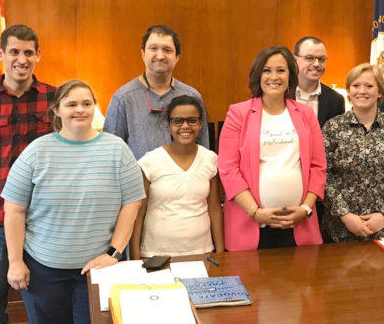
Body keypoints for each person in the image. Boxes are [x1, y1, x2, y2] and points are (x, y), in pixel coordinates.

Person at [1, 80, 145, 323]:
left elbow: (133, 203)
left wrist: (114, 252)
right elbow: (14, 210)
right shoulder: (37, 152)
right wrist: (15, 262)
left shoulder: (117, 149)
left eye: (87, 103)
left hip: (98, 270)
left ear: (95, 107)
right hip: (43, 271)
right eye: (72, 104)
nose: (80, 109)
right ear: (56, 110)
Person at [0, 24, 56, 323]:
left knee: (48, 303)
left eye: (28, 52)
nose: (22, 59)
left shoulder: (54, 99)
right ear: (0, 54)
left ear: (38, 55)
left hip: (43, 221)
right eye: (14, 52)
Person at [218, 46, 326, 251]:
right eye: (267, 70)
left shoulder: (306, 114)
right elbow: (227, 169)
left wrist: (305, 209)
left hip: (299, 223)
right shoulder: (238, 113)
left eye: (281, 70)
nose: (273, 77)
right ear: (258, 75)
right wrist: (255, 212)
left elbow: (318, 166)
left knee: (300, 282)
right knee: (251, 283)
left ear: (290, 76)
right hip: (250, 223)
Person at [322, 63, 384, 243]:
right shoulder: (332, 128)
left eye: (369, 86)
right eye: (356, 86)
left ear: (380, 92)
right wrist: (345, 215)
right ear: (348, 91)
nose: (362, 91)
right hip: (340, 230)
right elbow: (323, 174)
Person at [130, 95, 224, 258]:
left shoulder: (211, 159)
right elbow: (138, 214)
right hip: (155, 254)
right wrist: (135, 258)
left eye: (192, 120)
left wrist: (221, 253)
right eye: (178, 121)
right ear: (169, 124)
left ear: (200, 123)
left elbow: (214, 208)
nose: (185, 126)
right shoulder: (149, 162)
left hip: (202, 252)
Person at [104, 24, 209, 159]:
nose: (160, 56)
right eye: (153, 48)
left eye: (167, 50)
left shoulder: (191, 96)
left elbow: (203, 149)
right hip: (139, 179)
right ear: (143, 53)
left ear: (177, 57)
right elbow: (111, 153)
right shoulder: (123, 98)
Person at [293, 36, 345, 242]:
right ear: (295, 59)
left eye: (321, 59)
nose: (316, 64)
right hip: (287, 182)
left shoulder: (335, 101)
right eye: (309, 58)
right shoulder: (279, 94)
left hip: (318, 190)